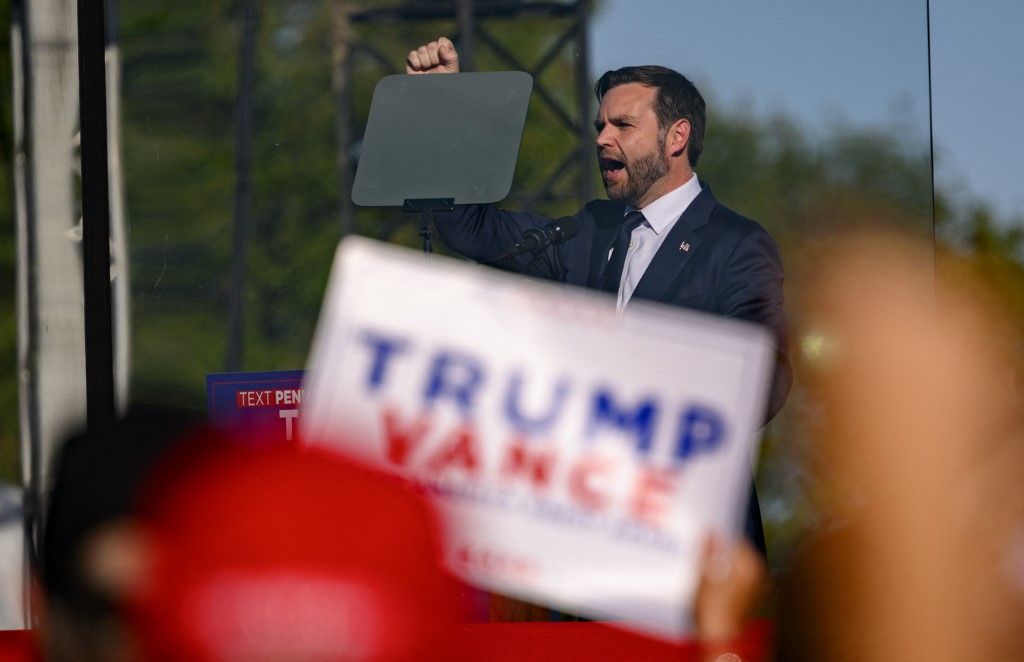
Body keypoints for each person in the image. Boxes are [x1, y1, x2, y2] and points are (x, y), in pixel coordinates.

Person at [407, 38, 790, 554]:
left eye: (623, 126)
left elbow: (765, 376)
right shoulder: (591, 228)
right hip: (592, 540)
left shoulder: (736, 244)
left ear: (676, 137)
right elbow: (474, 230)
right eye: (599, 126)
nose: (602, 139)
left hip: (694, 545)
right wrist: (444, 112)